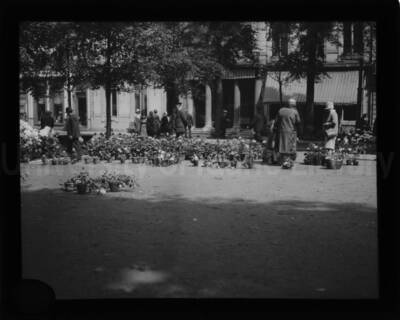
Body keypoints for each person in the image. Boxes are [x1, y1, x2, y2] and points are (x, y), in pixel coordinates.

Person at [275, 98, 302, 168]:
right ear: (294, 105)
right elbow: (298, 122)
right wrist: (300, 133)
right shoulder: (295, 112)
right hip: (291, 132)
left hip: (281, 131)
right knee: (289, 147)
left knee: (281, 146)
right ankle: (287, 161)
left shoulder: (281, 110)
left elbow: (276, 122)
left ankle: (280, 160)